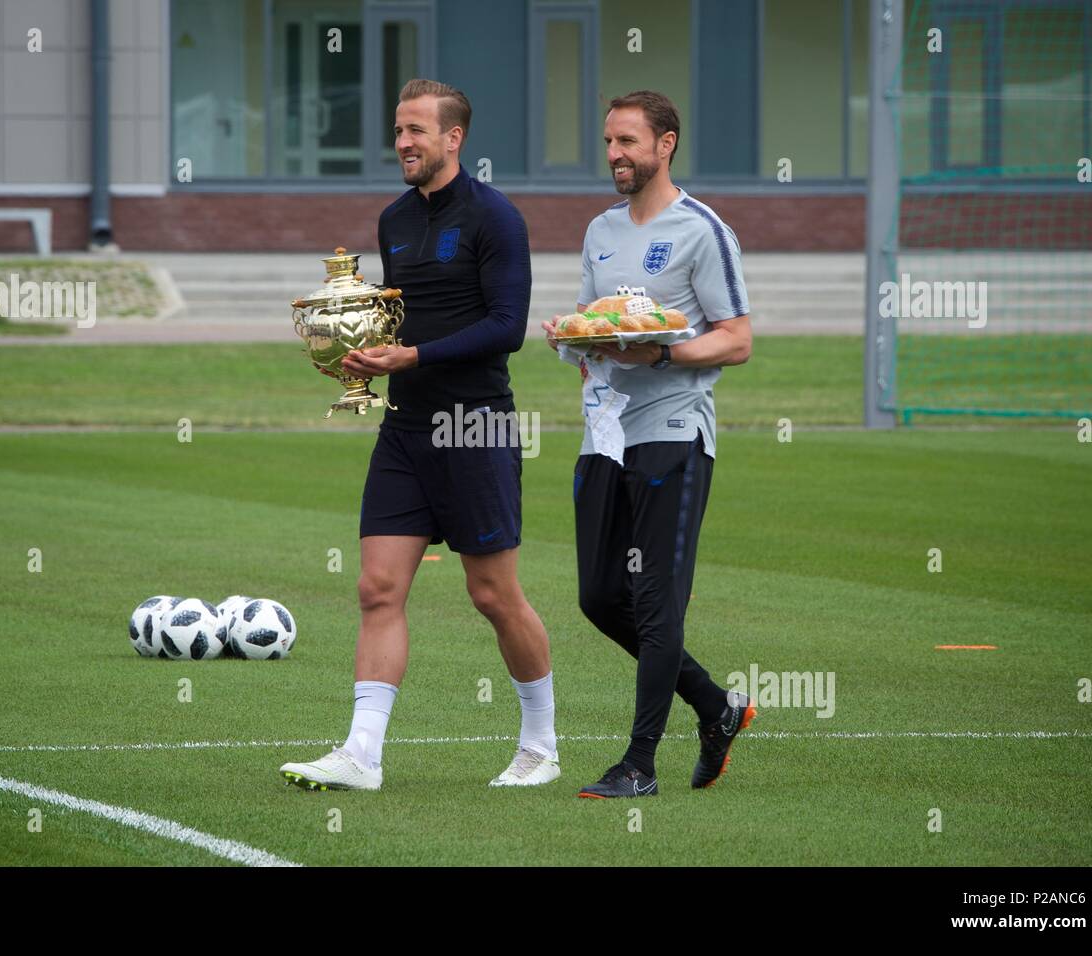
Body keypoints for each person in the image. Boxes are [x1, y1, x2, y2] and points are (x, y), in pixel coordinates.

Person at [280, 79, 559, 791]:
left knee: (494, 596)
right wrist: (364, 361)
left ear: (453, 138)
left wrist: (414, 357)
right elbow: (402, 320)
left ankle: (540, 745)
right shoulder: (394, 220)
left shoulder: (498, 218)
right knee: (377, 587)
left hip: (474, 425)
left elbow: (508, 328)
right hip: (404, 427)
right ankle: (362, 755)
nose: (402, 143)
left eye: (415, 131)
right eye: (398, 131)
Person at [542, 90, 755, 799]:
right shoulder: (600, 229)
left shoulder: (702, 230)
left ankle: (639, 765)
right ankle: (716, 706)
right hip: (606, 434)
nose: (614, 155)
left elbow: (737, 339)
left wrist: (662, 357)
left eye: (627, 142)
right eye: (608, 142)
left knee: (656, 601)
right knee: (601, 598)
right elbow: (591, 320)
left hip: (674, 435)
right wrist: (573, 337)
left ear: (665, 145)